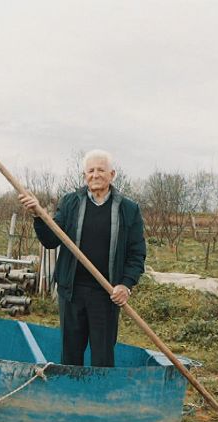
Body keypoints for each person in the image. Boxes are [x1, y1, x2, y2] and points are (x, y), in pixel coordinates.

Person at [19, 149, 146, 367]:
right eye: (91, 170)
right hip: (71, 293)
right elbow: (51, 240)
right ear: (84, 175)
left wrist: (125, 285)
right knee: (70, 356)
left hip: (106, 294)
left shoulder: (128, 209)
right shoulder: (71, 203)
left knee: (102, 358)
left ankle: (99, 390)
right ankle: (71, 389)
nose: (95, 175)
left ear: (112, 174)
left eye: (101, 170)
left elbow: (137, 253)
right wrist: (37, 215)